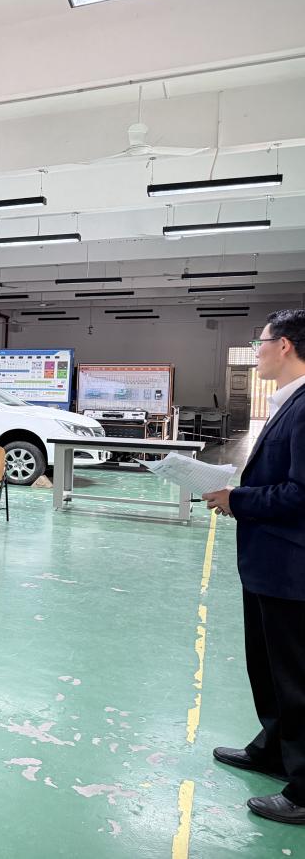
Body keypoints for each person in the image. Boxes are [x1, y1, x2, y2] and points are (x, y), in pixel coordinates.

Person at [204, 309, 305, 825]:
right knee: (266, 667)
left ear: (284, 344)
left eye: (260, 341)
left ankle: (304, 789)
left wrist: (237, 499)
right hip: (268, 563)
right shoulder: (288, 402)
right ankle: (273, 750)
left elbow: (300, 494)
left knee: (296, 678)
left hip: (292, 568)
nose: (257, 350)